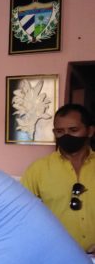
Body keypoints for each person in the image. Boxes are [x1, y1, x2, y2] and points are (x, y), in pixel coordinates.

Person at [21, 103, 94, 252]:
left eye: (73, 130)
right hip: (56, 255)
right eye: (60, 131)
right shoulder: (38, 169)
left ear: (90, 131)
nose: (66, 136)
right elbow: (20, 212)